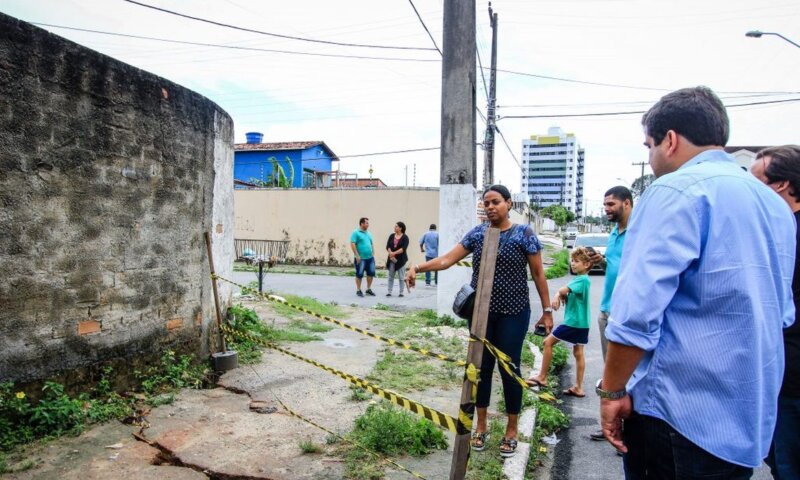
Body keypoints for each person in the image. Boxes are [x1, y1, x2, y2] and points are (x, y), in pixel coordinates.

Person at [599, 86, 795, 479]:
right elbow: (781, 310)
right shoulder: (774, 205)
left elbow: (635, 316)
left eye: (649, 145)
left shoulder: (673, 192)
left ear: (669, 140)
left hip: (677, 415)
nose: (650, 158)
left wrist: (612, 391)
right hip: (745, 419)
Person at [405, 184, 553, 458]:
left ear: (509, 204)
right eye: (486, 203)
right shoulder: (478, 234)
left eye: (495, 202)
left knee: (510, 370)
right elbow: (448, 260)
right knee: (480, 369)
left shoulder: (524, 234)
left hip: (514, 312)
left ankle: (511, 429)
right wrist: (417, 266)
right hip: (480, 314)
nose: (490, 207)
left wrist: (547, 310)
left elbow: (538, 274)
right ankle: (481, 425)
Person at [751, 145, 800, 480]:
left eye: (756, 182)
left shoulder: (786, 233)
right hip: (782, 372)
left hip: (791, 376)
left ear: (781, 184)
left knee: (786, 464)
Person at [587, 185, 633, 443]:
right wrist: (600, 260)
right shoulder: (614, 232)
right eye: (605, 205)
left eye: (611, 205)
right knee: (609, 372)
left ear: (626, 203)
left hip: (626, 313)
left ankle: (627, 431)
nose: (606, 210)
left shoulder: (639, 232)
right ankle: (611, 426)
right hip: (606, 310)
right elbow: (614, 266)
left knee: (628, 374)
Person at [526, 247, 593, 398]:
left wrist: (557, 295)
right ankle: (578, 387)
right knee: (578, 352)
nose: (573, 264)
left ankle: (542, 377)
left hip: (573, 323)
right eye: (572, 261)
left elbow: (563, 290)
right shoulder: (583, 280)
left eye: (576, 261)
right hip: (583, 323)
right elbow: (569, 292)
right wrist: (563, 295)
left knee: (547, 342)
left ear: (587, 264)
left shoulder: (581, 279)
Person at [350, 217, 376, 297]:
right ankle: (358, 290)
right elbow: (352, 244)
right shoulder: (356, 232)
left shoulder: (369, 233)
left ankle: (368, 289)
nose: (368, 224)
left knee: (371, 273)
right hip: (361, 258)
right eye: (366, 223)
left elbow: (371, 243)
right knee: (359, 274)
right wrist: (357, 255)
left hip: (370, 258)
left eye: (368, 223)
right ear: (361, 224)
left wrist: (373, 252)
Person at [385, 221, 409, 297]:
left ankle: (401, 292)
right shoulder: (391, 236)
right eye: (395, 226)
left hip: (401, 260)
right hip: (391, 259)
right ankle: (389, 291)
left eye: (396, 226)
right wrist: (390, 253)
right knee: (390, 276)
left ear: (400, 228)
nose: (394, 227)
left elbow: (403, 249)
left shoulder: (405, 237)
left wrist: (393, 253)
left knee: (401, 277)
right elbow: (388, 246)